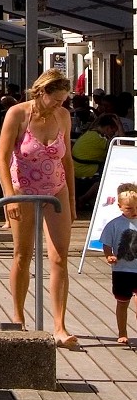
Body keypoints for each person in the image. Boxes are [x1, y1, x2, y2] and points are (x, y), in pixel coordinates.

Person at [0, 69, 77, 347]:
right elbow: (2, 157)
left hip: (57, 189)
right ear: (40, 92)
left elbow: (68, 163)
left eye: (63, 100)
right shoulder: (18, 114)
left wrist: (73, 203)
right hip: (24, 189)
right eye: (55, 99)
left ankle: (59, 325)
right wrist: (10, 198)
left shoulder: (63, 116)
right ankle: (18, 318)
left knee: (59, 258)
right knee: (23, 254)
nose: (59, 105)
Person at [100, 188, 137, 345]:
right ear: (120, 206)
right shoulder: (114, 224)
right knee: (122, 303)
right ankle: (122, 332)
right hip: (122, 270)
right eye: (129, 208)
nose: (134, 211)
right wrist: (109, 255)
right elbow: (106, 243)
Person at [72, 113, 122, 213]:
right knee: (107, 176)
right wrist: (120, 128)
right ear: (108, 128)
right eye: (113, 130)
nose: (113, 133)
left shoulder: (91, 133)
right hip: (83, 169)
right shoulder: (100, 139)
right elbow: (122, 146)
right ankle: (84, 198)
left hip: (78, 166)